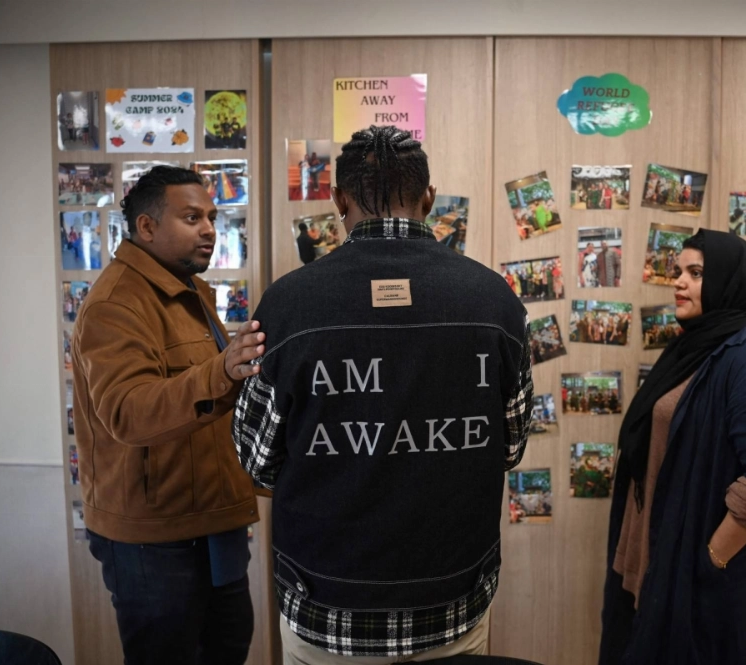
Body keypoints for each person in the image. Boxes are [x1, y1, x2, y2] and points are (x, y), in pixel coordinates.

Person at [233, 125, 534, 663]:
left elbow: (258, 463)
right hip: (452, 603)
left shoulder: (287, 305)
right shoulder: (496, 301)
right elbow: (510, 448)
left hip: (325, 606)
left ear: (338, 200)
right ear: (429, 198)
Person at [70, 166, 266, 664]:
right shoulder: (115, 304)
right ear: (147, 227)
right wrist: (222, 371)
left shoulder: (190, 291)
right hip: (154, 542)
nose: (209, 230)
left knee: (228, 648)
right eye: (192, 217)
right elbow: (128, 412)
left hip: (212, 523)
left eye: (212, 217)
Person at [600, 229, 746, 665]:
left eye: (695, 273)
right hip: (655, 559)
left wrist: (709, 559)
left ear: (729, 280)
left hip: (697, 579)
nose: (678, 281)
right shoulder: (695, 346)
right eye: (678, 271)